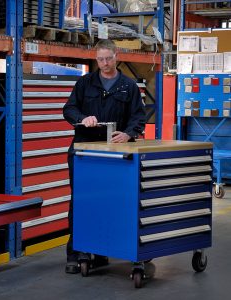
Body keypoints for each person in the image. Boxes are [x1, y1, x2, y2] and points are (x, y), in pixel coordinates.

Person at [63, 39, 146, 274]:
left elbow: (138, 117)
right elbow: (68, 109)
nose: (105, 63)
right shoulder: (84, 83)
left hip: (114, 154)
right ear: (96, 58)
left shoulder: (128, 87)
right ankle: (76, 252)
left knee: (111, 200)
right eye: (101, 59)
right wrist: (82, 117)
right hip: (84, 152)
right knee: (81, 200)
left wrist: (129, 134)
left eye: (109, 58)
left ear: (116, 56)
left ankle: (101, 251)